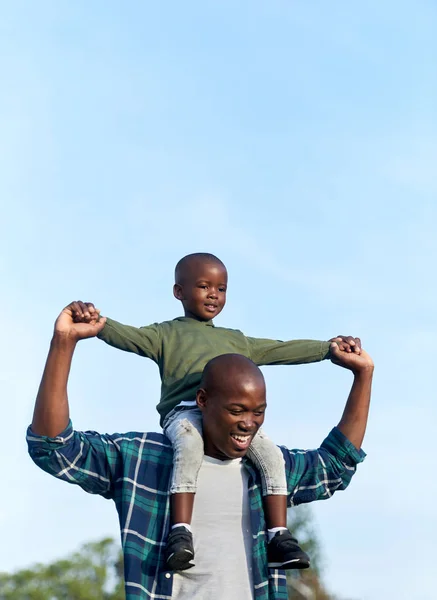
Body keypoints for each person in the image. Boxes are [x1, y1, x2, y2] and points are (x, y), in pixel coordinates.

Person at [28, 304, 373, 600]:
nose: (248, 424)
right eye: (236, 411)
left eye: (258, 412)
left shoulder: (269, 471)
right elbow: (55, 448)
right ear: (203, 401)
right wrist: (63, 343)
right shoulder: (142, 460)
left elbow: (334, 466)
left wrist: (363, 376)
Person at [67, 252, 361, 571]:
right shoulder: (166, 334)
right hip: (185, 414)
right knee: (189, 447)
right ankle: (180, 531)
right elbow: (130, 337)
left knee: (272, 456)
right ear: (179, 292)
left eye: (221, 289)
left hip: (231, 419)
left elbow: (279, 349)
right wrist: (98, 324)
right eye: (204, 286)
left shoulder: (234, 340)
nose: (213, 294)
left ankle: (279, 535)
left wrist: (326, 349)